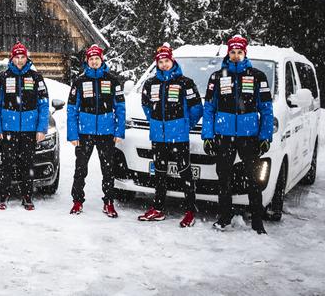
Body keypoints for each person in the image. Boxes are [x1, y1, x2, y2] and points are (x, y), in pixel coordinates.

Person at [202, 35, 273, 234]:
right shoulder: (217, 77)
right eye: (232, 52)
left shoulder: (257, 76)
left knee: (254, 179)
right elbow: (209, 109)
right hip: (223, 136)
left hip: (249, 137)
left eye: (239, 52)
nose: (235, 56)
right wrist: (207, 136)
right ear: (228, 53)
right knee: (223, 178)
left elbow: (266, 109)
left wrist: (265, 136)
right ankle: (224, 217)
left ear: (245, 53)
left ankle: (257, 222)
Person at [138, 43, 203, 227]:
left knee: (185, 173)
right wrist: (154, 121)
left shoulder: (185, 82)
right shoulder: (150, 83)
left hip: (179, 137)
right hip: (158, 136)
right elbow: (145, 105)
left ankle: (190, 211)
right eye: (161, 62)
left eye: (167, 61)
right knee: (159, 173)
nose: (164, 64)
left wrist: (185, 125)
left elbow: (197, 108)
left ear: (172, 61)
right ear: (157, 63)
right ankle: (158, 209)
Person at [66, 44, 125, 218]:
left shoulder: (112, 81)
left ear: (101, 60)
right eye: (91, 59)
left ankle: (108, 202)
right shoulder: (80, 82)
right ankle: (77, 201)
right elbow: (71, 109)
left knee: (108, 169)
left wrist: (118, 132)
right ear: (87, 61)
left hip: (106, 134)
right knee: (80, 169)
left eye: (96, 59)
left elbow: (120, 108)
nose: (94, 62)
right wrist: (73, 134)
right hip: (85, 133)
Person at [0, 42, 49, 211]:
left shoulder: (36, 78)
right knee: (7, 163)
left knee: (27, 164)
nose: (20, 60)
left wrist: (41, 128)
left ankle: (27, 196)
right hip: (9, 129)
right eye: (17, 57)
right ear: (12, 57)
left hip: (29, 130)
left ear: (26, 58)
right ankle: (4, 195)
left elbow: (43, 105)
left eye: (23, 57)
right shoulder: (2, 77)